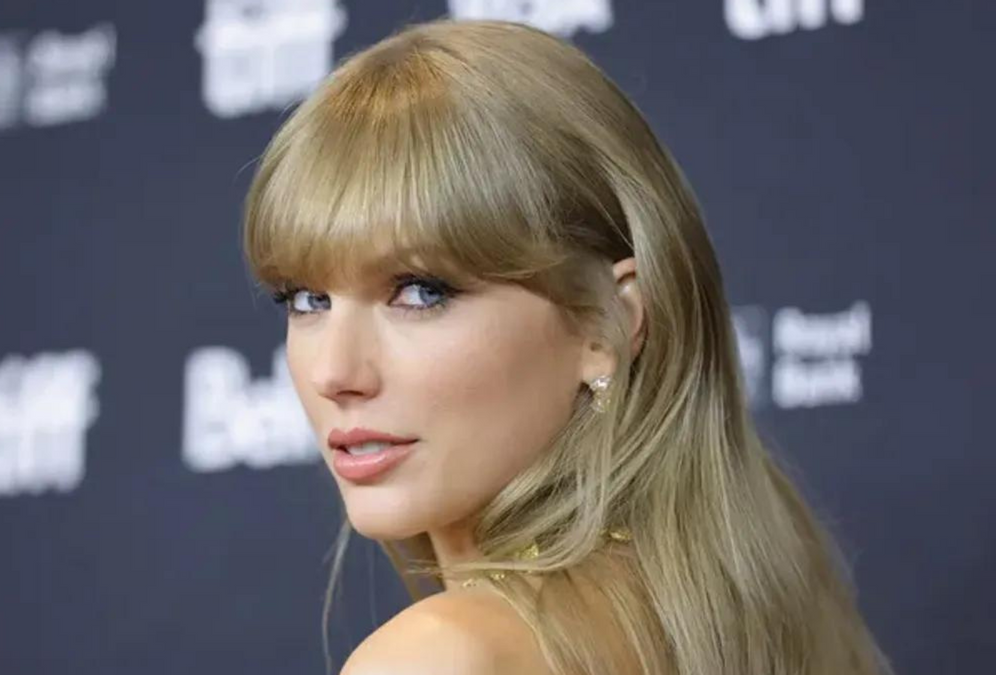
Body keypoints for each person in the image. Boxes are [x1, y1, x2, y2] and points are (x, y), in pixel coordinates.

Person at [240, 17, 894, 675]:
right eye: (305, 298)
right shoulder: (764, 606)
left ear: (605, 322)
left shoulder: (438, 655)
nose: (334, 372)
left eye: (419, 291)